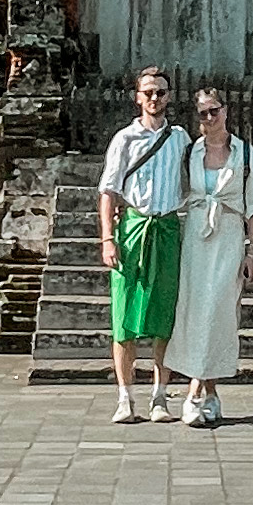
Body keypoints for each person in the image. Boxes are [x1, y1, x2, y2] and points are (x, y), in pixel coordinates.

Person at [162, 83, 253, 428]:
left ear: (226, 111)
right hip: (195, 236)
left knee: (219, 311)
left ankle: (194, 393)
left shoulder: (245, 153)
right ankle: (209, 393)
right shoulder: (190, 152)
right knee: (195, 310)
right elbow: (172, 190)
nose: (210, 117)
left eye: (214, 110)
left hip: (229, 235)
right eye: (203, 113)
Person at [97, 64, 189, 422]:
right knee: (124, 316)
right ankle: (124, 397)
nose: (154, 98)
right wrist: (108, 237)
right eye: (148, 92)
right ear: (137, 98)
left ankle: (160, 397)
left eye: (161, 92)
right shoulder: (125, 139)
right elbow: (108, 190)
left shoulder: (180, 138)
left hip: (166, 229)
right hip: (132, 229)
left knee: (164, 316)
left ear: (168, 97)